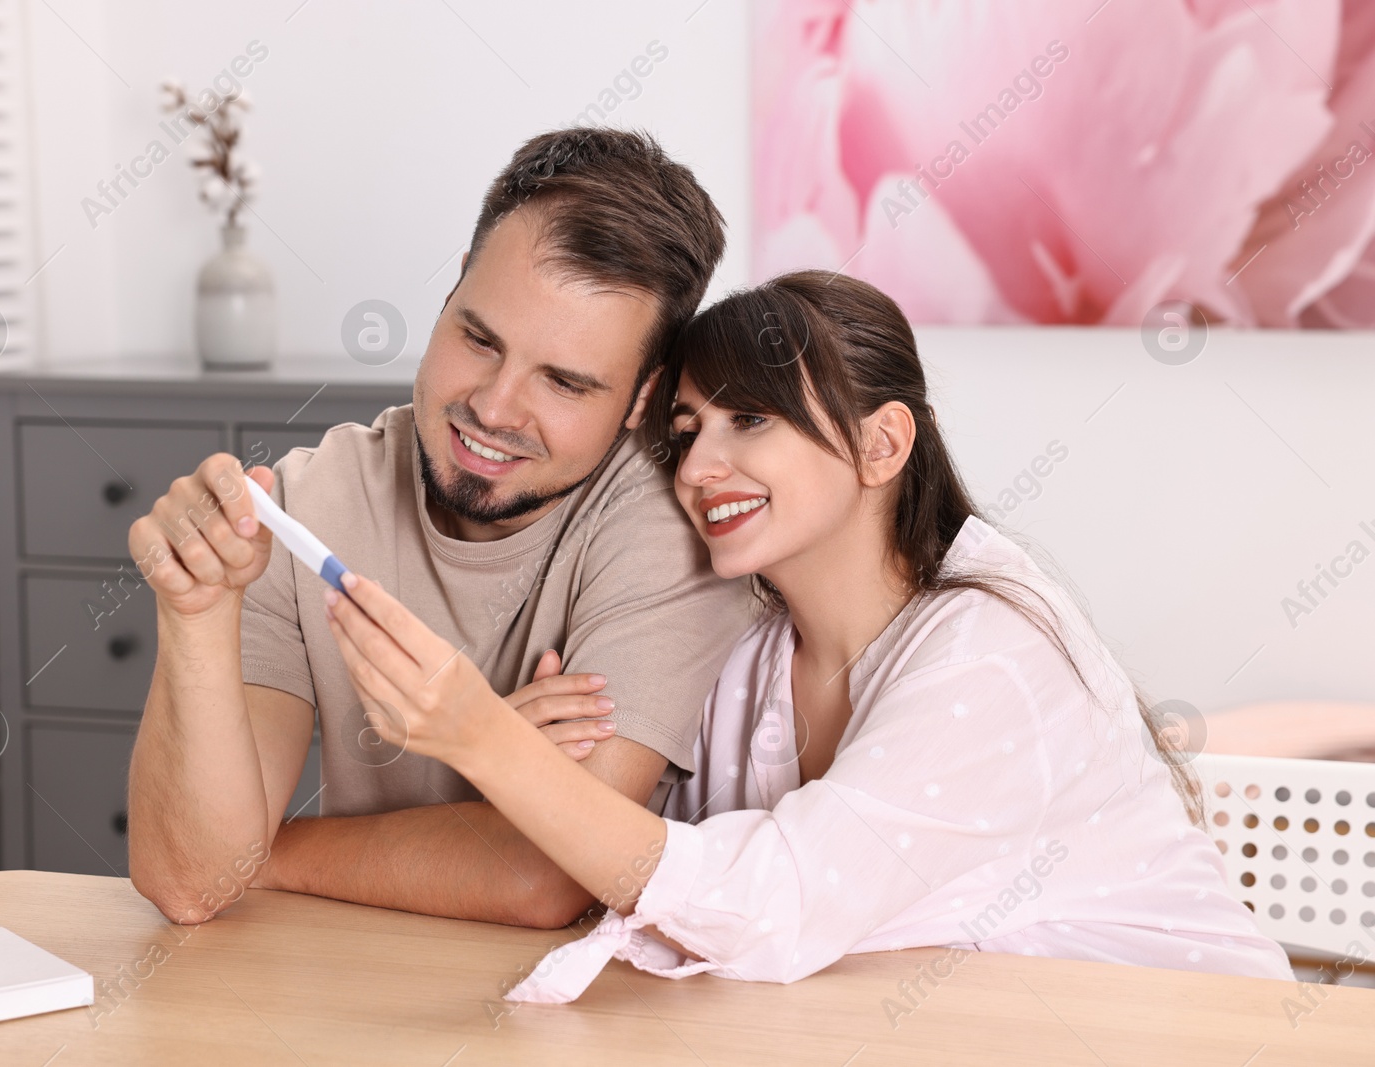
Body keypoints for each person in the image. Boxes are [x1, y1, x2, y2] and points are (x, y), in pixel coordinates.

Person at [316, 270, 1294, 1002]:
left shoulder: (988, 651)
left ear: (882, 443)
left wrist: (483, 740)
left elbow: (769, 900)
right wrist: (537, 764)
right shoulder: (745, 644)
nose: (702, 465)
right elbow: (620, 852)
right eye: (689, 429)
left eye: (751, 418)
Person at [124, 128, 758, 929]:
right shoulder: (303, 503)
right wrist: (195, 617)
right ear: (453, 288)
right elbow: (192, 881)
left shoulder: (674, 527)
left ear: (643, 397)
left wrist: (269, 853)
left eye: (563, 382)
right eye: (479, 338)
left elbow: (545, 877)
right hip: (361, 993)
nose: (494, 408)